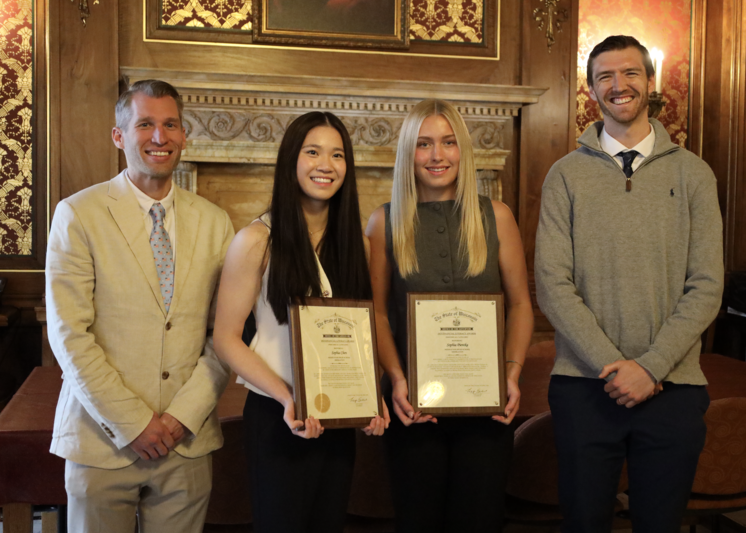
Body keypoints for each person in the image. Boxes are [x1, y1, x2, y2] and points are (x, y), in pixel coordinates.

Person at [535, 35, 724, 532]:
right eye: (605, 77)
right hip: (583, 387)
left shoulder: (694, 175)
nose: (619, 85)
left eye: (630, 73)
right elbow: (552, 284)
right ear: (592, 90)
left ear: (650, 81)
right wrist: (613, 367)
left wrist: (651, 367)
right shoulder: (564, 176)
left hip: (674, 387)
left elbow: (706, 285)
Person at [46, 79, 234, 532]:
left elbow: (225, 336)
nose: (159, 137)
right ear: (119, 135)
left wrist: (182, 418)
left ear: (183, 136)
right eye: (145, 124)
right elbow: (69, 334)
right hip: (101, 439)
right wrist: (133, 423)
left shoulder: (216, 222)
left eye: (171, 125)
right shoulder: (78, 214)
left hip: (184, 442)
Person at [213, 111, 389, 533]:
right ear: (292, 158)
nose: (325, 165)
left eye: (337, 155)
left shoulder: (359, 246)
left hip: (339, 415)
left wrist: (373, 394)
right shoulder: (256, 240)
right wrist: (288, 397)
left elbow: (364, 333)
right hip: (278, 415)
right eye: (313, 152)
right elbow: (226, 339)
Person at [366, 98, 533, 533]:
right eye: (423, 144)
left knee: (479, 521)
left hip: (486, 410)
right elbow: (377, 313)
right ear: (408, 153)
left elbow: (519, 305)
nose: (437, 156)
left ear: (463, 149)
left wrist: (511, 374)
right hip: (414, 410)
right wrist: (397, 380)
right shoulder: (384, 222)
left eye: (447, 142)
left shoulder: (496, 216)